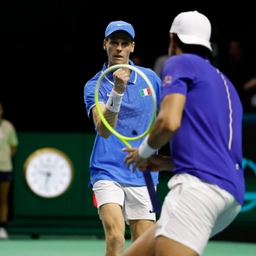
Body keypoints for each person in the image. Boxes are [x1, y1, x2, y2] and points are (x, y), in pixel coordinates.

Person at [123, 11, 245, 256]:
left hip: (198, 190)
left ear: (172, 39)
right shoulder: (226, 84)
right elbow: (215, 153)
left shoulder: (180, 62)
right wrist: (167, 163)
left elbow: (169, 122)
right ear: (207, 44)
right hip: (231, 194)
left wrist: (143, 152)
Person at [83, 20, 162, 256]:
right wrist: (117, 91)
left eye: (124, 43)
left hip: (145, 173)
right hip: (106, 170)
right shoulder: (94, 85)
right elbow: (104, 129)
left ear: (132, 47)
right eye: (114, 42)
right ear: (104, 44)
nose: (118, 48)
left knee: (145, 245)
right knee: (116, 237)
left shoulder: (150, 80)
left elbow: (170, 114)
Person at [0, 100, 18, 239]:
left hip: (5, 167)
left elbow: (13, 147)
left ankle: (2, 228)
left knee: (3, 199)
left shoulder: (8, 126)